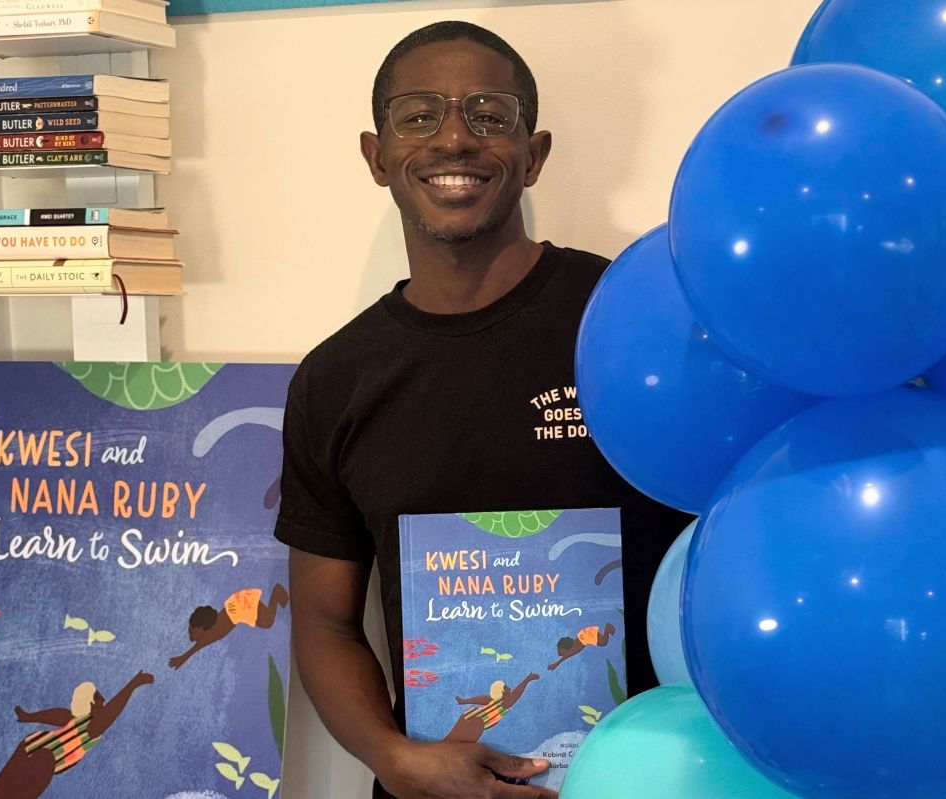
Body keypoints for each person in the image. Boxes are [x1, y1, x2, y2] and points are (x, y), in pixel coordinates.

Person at [275, 20, 690, 799]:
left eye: (490, 115)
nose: (455, 139)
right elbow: (327, 623)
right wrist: (395, 760)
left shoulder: (632, 321)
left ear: (535, 157)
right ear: (377, 156)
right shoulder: (334, 380)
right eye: (420, 114)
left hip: (654, 776)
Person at [0, 670, 154, 798]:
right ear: (91, 704)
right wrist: (133, 684)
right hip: (43, 758)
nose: (104, 702)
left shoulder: (75, 721)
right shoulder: (91, 727)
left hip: (30, 746)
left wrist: (28, 716)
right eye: (100, 700)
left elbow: (55, 715)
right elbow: (111, 712)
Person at [168, 583, 289, 669]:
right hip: (236, 607)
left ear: (202, 628)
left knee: (267, 622)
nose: (191, 638)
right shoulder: (211, 630)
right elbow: (197, 645)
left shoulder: (212, 633)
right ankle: (280, 598)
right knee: (266, 620)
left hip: (240, 605)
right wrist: (183, 657)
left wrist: (183, 658)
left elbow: (197, 646)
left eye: (193, 632)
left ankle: (277, 592)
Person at [445, 674, 540, 743]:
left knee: (451, 739)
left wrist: (464, 701)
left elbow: (481, 699)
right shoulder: (503, 704)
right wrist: (527, 680)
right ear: (502, 692)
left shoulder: (494, 701)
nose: (510, 689)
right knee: (461, 740)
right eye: (507, 688)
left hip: (468, 716)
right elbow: (515, 695)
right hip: (476, 721)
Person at [547, 622, 616, 672]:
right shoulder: (573, 647)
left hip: (587, 635)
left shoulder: (572, 649)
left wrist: (555, 664)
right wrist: (555, 664)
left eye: (559, 650)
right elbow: (564, 656)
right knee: (603, 642)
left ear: (564, 648)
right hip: (585, 635)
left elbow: (564, 657)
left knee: (604, 643)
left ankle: (607, 628)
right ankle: (607, 629)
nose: (558, 653)